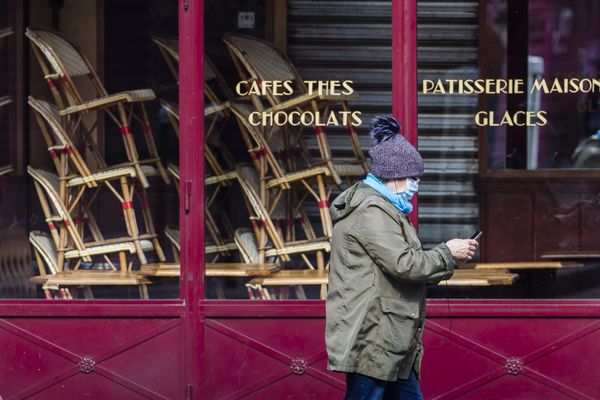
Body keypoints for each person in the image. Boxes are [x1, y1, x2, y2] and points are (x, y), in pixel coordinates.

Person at [325, 115, 478, 400]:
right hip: (372, 336)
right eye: (413, 178)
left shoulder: (383, 208)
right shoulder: (372, 211)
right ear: (395, 176)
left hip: (387, 336)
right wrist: (447, 252)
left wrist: (449, 259)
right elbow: (405, 264)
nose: (415, 185)